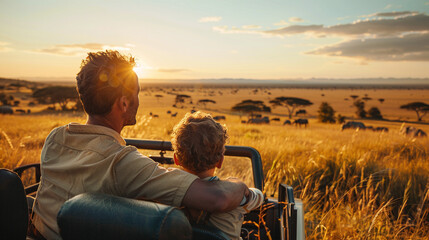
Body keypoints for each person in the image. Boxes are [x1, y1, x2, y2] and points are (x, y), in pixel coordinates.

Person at [31, 50, 249, 239]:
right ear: (124, 103)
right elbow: (218, 199)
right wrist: (242, 187)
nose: (138, 99)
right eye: (136, 93)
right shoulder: (122, 162)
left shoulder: (55, 138)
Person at [172, 111, 264, 240]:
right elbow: (259, 198)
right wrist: (247, 191)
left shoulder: (168, 192)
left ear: (176, 159)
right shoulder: (235, 195)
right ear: (220, 161)